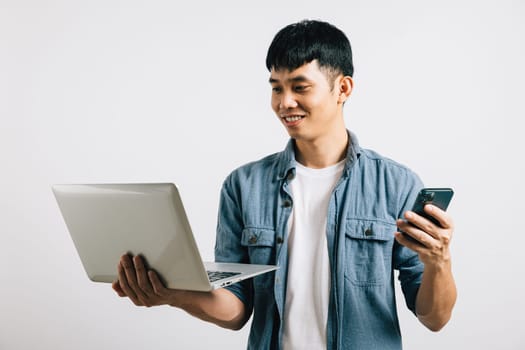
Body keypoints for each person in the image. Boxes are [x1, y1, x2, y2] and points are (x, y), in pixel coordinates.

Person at [112, 19, 457, 350]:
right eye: (276, 87)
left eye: (300, 87)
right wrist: (173, 294)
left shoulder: (396, 185)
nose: (284, 102)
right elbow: (236, 309)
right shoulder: (243, 185)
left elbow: (434, 317)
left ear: (343, 88)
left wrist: (439, 262)